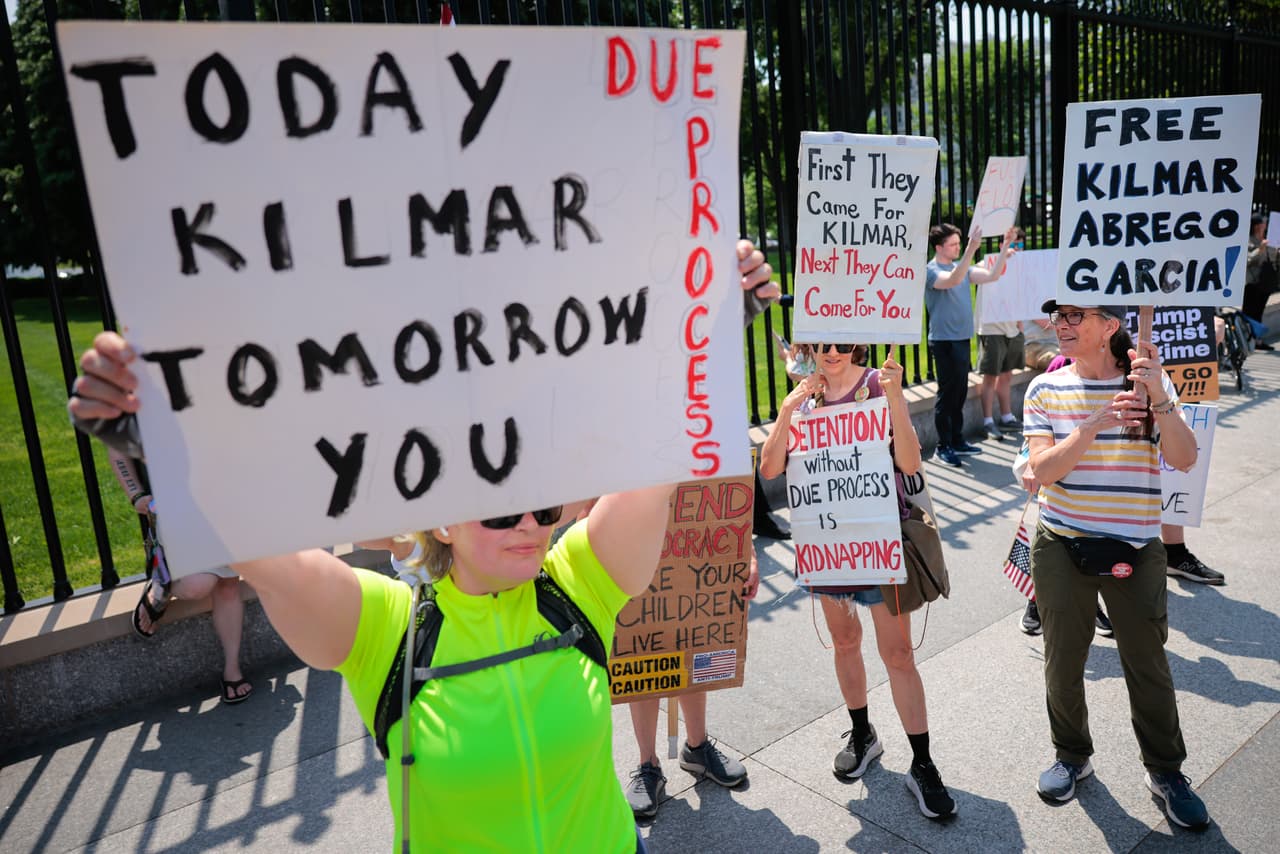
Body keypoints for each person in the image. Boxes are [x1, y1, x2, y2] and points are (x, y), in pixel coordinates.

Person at [68, 241, 776, 851]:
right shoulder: (383, 628)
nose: (531, 524)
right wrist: (169, 452)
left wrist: (705, 337)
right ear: (440, 520)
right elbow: (256, 543)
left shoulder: (580, 581)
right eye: (501, 510)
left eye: (543, 503)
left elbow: (661, 449)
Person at [1022, 300, 1210, 831]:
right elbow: (1043, 471)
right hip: (1061, 543)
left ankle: (1167, 772)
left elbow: (1185, 458)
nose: (1062, 325)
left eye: (1075, 316)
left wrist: (1160, 401)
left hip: (1134, 546)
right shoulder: (1044, 388)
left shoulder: (1150, 384)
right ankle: (1071, 756)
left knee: (1146, 661)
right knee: (1062, 659)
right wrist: (1093, 424)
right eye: (1058, 317)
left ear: (1109, 325)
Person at [759, 342, 956, 821]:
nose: (831, 353)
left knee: (898, 654)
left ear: (857, 343)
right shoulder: (805, 398)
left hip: (878, 538)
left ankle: (923, 763)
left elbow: (909, 464)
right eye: (821, 344)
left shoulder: (876, 385)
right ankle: (863, 732)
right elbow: (769, 469)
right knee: (845, 642)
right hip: (828, 542)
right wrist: (788, 409)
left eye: (842, 344)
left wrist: (896, 402)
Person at [109, 450, 252, 704]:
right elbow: (117, 449)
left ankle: (232, 668)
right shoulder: (142, 409)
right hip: (176, 506)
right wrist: (137, 494)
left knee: (229, 584)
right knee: (197, 587)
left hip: (224, 497)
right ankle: (161, 581)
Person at [624, 552, 760, 819]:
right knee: (641, 656)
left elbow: (732, 510)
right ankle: (647, 763)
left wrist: (748, 556)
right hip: (636, 556)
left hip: (696, 552)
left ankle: (697, 748)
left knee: (696, 643)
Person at [925, 224, 1018, 466]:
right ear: (938, 247)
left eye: (959, 243)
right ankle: (942, 446)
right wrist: (970, 250)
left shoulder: (962, 267)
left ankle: (957, 440)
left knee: (960, 393)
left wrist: (1005, 246)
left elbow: (992, 276)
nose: (957, 248)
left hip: (962, 338)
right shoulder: (931, 271)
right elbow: (953, 280)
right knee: (947, 395)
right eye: (952, 244)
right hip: (944, 340)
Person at [975, 227, 1026, 441]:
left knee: (1007, 374)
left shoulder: (1023, 267)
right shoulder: (987, 264)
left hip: (1013, 328)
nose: (1016, 249)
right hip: (992, 328)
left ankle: (1006, 416)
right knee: (990, 376)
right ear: (1002, 245)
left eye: (1019, 244)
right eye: (1012, 244)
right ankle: (988, 421)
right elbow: (980, 276)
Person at [1244, 212, 1277, 350]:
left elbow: (1273, 260)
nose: (1266, 224)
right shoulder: (1249, 240)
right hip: (1252, 283)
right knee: (1249, 313)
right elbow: (1247, 260)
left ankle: (1257, 340)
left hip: (1264, 283)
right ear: (1257, 225)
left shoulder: (1269, 240)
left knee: (1259, 312)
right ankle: (1247, 340)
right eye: (1263, 222)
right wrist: (1260, 249)